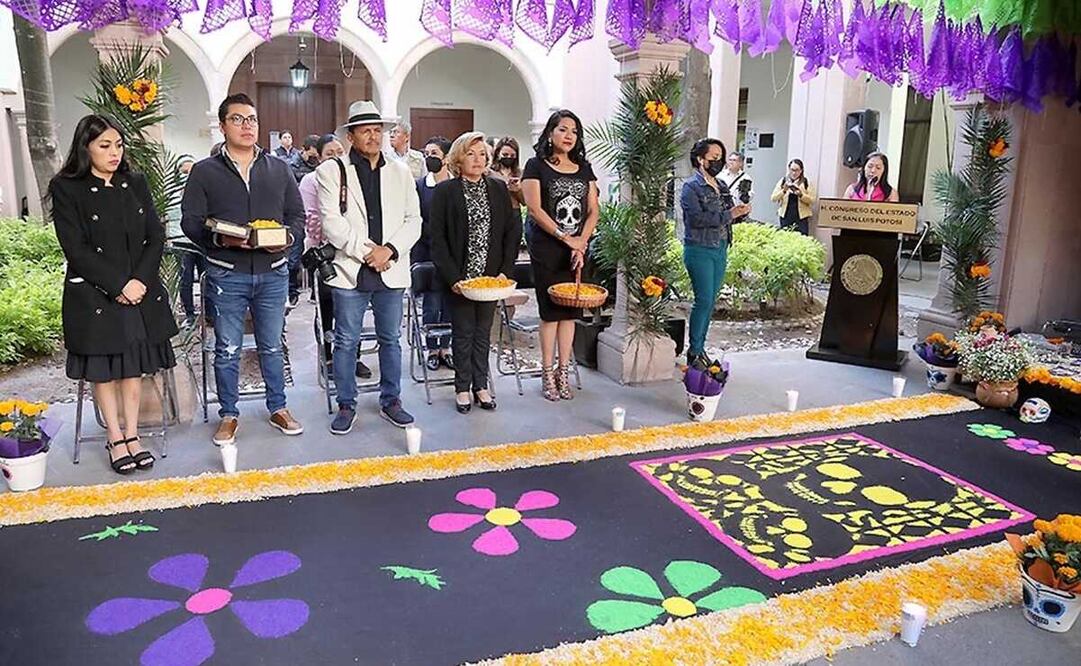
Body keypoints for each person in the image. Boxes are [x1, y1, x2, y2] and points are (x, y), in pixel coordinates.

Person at [50, 115, 179, 474]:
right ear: (85, 147)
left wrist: (138, 281)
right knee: (105, 370)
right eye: (104, 145)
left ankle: (134, 435)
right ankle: (115, 437)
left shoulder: (133, 182)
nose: (114, 153)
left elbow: (155, 236)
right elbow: (75, 249)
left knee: (133, 367)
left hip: (140, 292)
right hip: (96, 296)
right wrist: (118, 285)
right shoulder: (67, 187)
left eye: (118, 145)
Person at [181, 93, 305, 447]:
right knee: (228, 348)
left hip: (273, 271)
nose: (247, 125)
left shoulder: (279, 169)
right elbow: (191, 222)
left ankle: (278, 407)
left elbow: (296, 216)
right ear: (222, 126)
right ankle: (229, 414)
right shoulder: (205, 171)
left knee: (271, 346)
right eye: (238, 119)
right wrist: (221, 239)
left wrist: (287, 238)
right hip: (226, 272)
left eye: (251, 119)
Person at [317, 100, 421, 434]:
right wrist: (368, 252)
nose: (374, 136)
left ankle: (391, 400)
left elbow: (414, 220)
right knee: (347, 340)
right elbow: (331, 223)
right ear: (352, 135)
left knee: (391, 338)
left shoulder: (401, 172)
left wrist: (388, 250)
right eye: (366, 131)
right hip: (352, 268)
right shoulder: (332, 171)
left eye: (378, 130)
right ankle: (346, 404)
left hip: (391, 267)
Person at [430, 132, 521, 413]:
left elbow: (511, 231)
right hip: (460, 280)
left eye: (483, 154)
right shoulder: (445, 191)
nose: (479, 159)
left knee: (484, 333)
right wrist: (453, 278)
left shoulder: (497, 188)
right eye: (471, 153)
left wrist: (505, 271)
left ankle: (480, 386)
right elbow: (437, 239)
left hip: (490, 280)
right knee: (463, 333)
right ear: (459, 157)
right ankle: (462, 388)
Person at [521, 109, 599, 401]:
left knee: (570, 313)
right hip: (548, 247)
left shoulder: (583, 167)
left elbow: (594, 211)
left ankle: (563, 371)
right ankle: (546, 370)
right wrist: (567, 239)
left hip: (576, 249)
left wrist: (581, 242)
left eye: (574, 131)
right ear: (550, 133)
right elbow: (535, 210)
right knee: (551, 313)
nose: (569, 136)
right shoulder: (535, 166)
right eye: (563, 129)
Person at [680, 138, 750, 369]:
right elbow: (696, 219)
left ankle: (700, 349)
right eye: (714, 158)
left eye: (721, 157)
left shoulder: (721, 185)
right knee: (703, 300)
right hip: (699, 248)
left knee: (710, 302)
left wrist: (739, 211)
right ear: (700, 159)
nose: (719, 162)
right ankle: (695, 351)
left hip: (720, 247)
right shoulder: (691, 187)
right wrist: (729, 215)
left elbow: (728, 213)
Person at [414, 135, 454, 371]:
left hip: (451, 254)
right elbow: (417, 218)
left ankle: (446, 348)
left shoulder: (455, 183)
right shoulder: (419, 186)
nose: (430, 158)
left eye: (434, 154)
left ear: (446, 158)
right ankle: (431, 348)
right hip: (426, 251)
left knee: (449, 302)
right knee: (431, 303)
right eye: (426, 153)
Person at [771, 159, 817, 235]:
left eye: (797, 170)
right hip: (786, 216)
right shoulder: (783, 181)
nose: (794, 173)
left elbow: (812, 200)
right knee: (785, 238)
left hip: (801, 218)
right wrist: (784, 191)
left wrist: (801, 195)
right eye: (792, 170)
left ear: (801, 170)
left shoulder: (806, 182)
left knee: (802, 239)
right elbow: (773, 198)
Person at [487, 136, 526, 209]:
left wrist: (518, 190)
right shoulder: (489, 173)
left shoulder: (520, 173)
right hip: (496, 210)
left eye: (512, 155)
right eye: (505, 155)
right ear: (498, 153)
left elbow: (524, 202)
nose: (508, 157)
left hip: (514, 211)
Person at [718, 151, 753, 223]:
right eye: (730, 160)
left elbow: (749, 197)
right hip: (722, 210)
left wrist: (745, 195)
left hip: (737, 211)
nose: (731, 162)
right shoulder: (720, 175)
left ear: (740, 163)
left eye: (734, 160)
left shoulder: (746, 178)